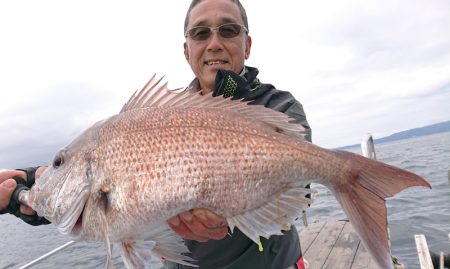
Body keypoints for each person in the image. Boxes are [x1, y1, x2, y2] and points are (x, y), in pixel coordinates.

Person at [0, 0, 312, 268]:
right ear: (186, 49)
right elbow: (120, 198)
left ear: (247, 44)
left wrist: (227, 217)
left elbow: (300, 184)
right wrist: (33, 195)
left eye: (228, 30)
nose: (214, 42)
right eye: (201, 33)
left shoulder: (280, 107)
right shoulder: (163, 120)